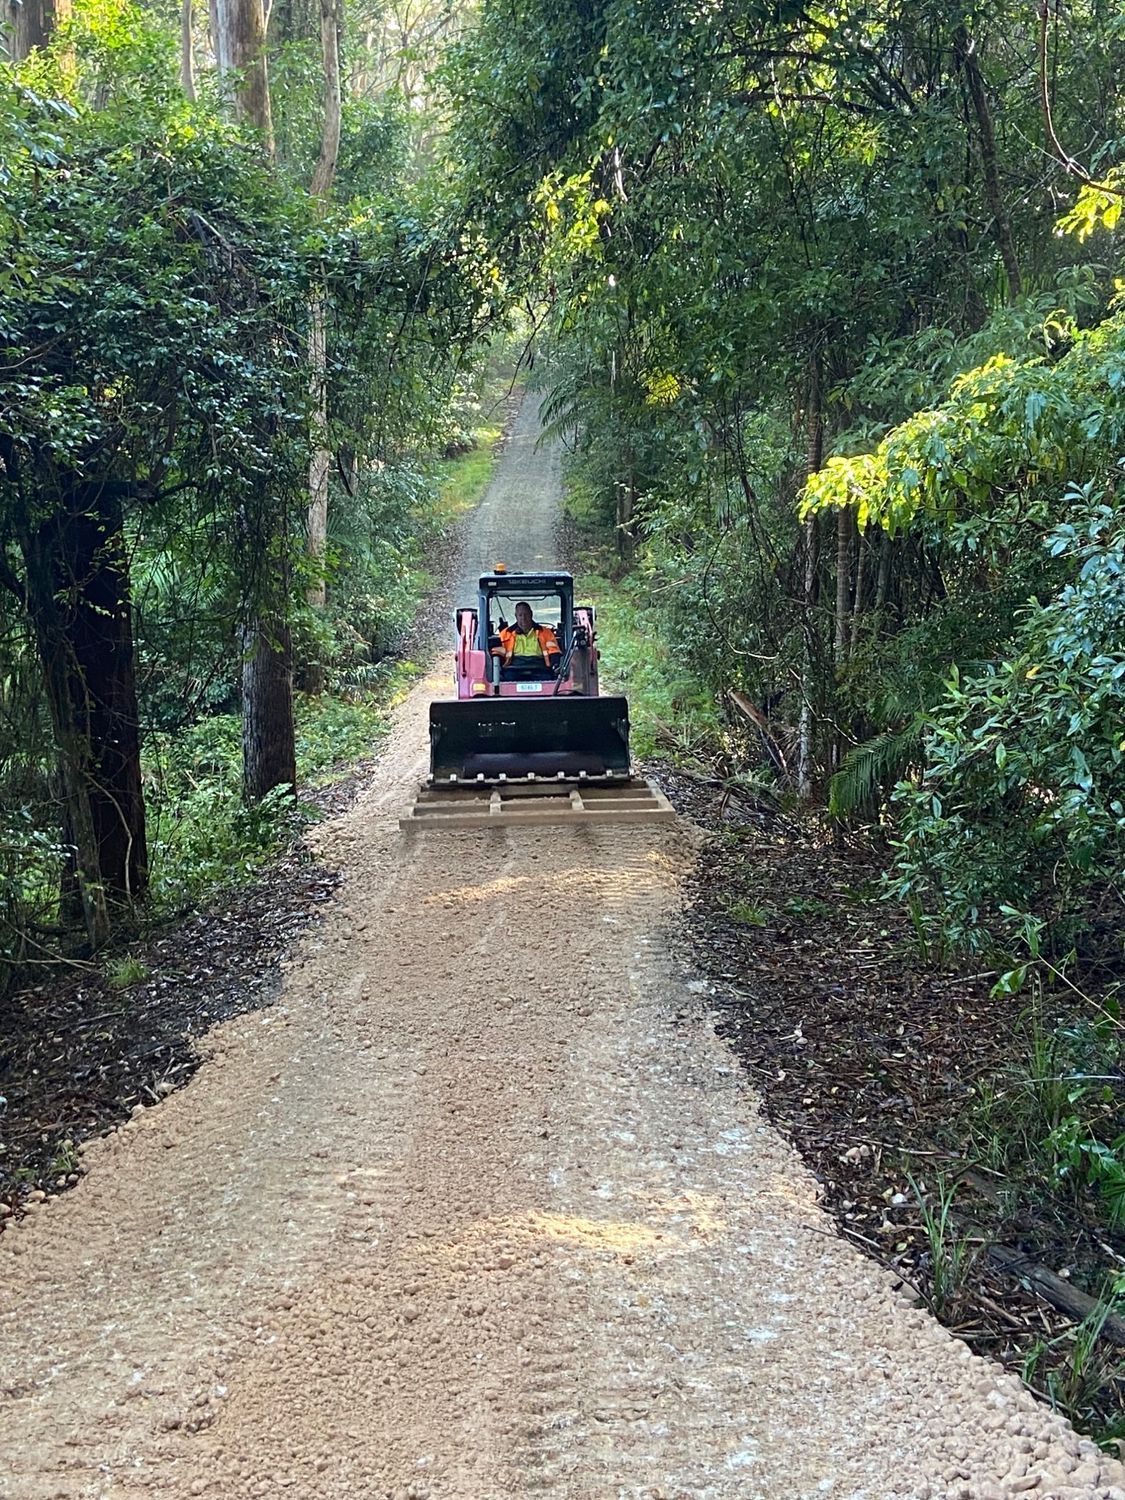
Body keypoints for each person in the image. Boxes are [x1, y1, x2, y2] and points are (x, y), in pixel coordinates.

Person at [494, 600, 560, 667]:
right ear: (516, 616)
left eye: (526, 614)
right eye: (520, 615)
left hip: (539, 666)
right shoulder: (505, 633)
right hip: (514, 667)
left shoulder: (546, 633)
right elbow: (497, 652)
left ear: (531, 614)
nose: (523, 618)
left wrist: (555, 665)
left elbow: (554, 651)